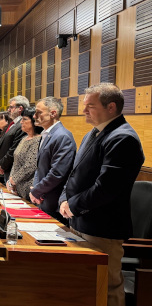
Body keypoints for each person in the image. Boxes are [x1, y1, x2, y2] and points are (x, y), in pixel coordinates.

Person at [59, 84, 144, 306]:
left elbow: (106, 188)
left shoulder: (123, 138)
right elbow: (75, 174)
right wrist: (64, 200)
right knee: (84, 284)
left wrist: (73, 205)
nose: (84, 111)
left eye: (90, 106)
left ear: (111, 107)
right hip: (79, 221)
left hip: (102, 228)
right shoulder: (93, 133)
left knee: (106, 287)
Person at [30, 96, 76, 225]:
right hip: (42, 198)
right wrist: (35, 190)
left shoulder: (62, 136)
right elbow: (40, 167)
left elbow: (57, 172)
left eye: (39, 112)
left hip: (53, 202)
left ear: (53, 113)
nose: (34, 116)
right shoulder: (47, 134)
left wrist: (37, 191)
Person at [7, 107, 42, 200]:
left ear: (34, 121)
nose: (21, 122)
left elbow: (30, 166)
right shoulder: (24, 138)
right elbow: (16, 161)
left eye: (25, 119)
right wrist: (11, 180)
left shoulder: (38, 140)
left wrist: (14, 179)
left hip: (28, 189)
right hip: (16, 187)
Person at [0, 96, 29, 182]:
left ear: (20, 108)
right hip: (6, 169)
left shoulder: (21, 125)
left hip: (12, 170)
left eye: (11, 107)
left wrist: (2, 165)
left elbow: (13, 148)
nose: (9, 110)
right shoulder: (14, 124)